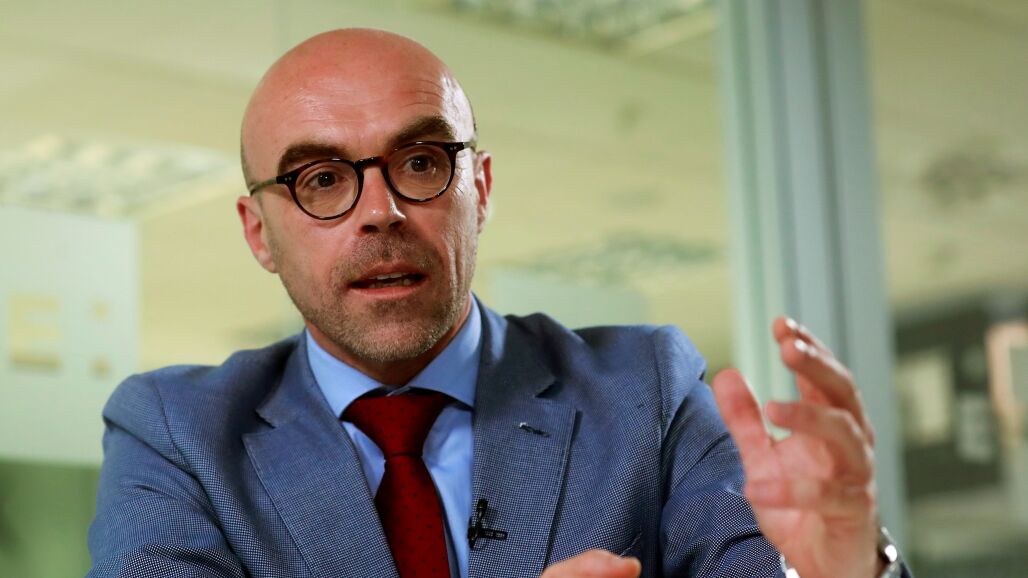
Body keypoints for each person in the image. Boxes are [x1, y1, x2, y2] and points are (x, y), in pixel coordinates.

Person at [87, 29, 909, 578]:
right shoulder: (178, 435)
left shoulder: (645, 391)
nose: (381, 212)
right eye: (322, 179)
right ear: (258, 232)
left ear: (478, 190)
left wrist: (844, 569)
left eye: (420, 162)